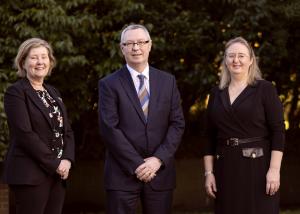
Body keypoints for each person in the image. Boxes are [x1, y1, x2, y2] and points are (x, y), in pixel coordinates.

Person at [98, 24, 185, 214]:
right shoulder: (109, 84)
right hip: (122, 174)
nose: (136, 47)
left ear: (150, 45)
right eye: (129, 43)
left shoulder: (167, 81)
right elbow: (109, 128)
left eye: (141, 42)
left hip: (160, 173)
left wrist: (158, 160)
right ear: (122, 49)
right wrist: (137, 164)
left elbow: (177, 123)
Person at [203, 36, 284, 214]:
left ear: (251, 60)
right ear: (225, 60)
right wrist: (209, 173)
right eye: (231, 56)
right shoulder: (216, 93)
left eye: (241, 55)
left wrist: (274, 170)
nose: (236, 60)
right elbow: (209, 136)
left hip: (258, 167)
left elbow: (278, 131)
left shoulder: (265, 89)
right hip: (225, 167)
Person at [3, 38, 75, 214]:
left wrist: (67, 160)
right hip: (30, 174)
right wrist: (55, 164)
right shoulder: (16, 92)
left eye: (44, 57)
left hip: (57, 174)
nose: (40, 62)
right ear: (23, 62)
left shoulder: (53, 92)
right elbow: (25, 134)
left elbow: (66, 130)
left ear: (50, 62)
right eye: (34, 57)